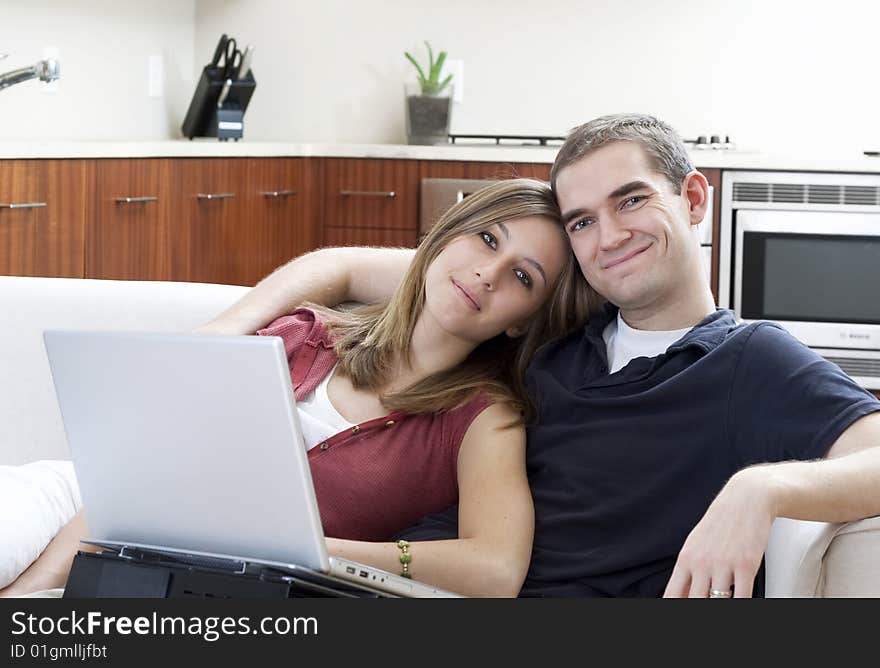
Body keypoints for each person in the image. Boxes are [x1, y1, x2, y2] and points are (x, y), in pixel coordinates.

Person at [198, 113, 880, 598]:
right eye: (582, 221)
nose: (608, 236)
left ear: (694, 198)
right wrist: (225, 334)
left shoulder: (749, 362)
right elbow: (347, 267)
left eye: (632, 201)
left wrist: (762, 489)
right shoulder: (546, 323)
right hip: (368, 582)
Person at [1, 178, 598, 599]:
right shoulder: (307, 331)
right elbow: (139, 469)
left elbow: (495, 571)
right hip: (93, 500)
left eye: (522, 276)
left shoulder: (482, 418)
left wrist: (307, 548)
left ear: (523, 319)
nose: (487, 275)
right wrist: (33, 595)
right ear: (444, 238)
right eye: (488, 239)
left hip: (209, 576)